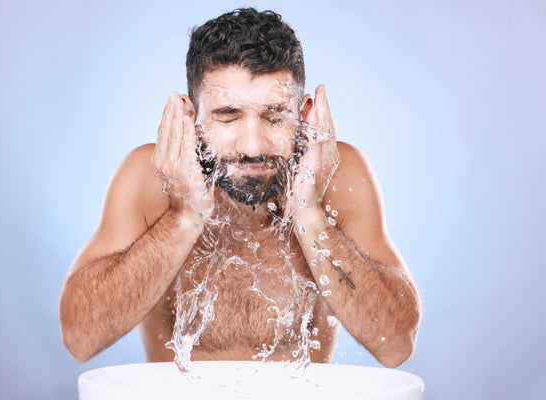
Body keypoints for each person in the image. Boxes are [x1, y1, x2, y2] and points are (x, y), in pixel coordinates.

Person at [57, 7, 421, 368]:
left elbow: (396, 344)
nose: (252, 146)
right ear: (190, 116)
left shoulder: (337, 176)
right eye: (227, 116)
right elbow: (79, 338)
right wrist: (183, 217)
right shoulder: (149, 177)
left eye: (274, 115)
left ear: (305, 112)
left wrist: (310, 216)